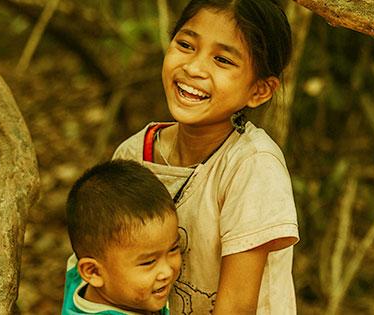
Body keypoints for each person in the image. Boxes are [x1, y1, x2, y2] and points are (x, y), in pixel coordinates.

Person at [113, 0, 299, 314]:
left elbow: (236, 308)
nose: (194, 68)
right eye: (185, 44)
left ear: (259, 90)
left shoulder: (252, 166)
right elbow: (104, 276)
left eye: (222, 60)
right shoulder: (133, 155)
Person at [62, 160, 181, 315]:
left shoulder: (81, 271)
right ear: (93, 272)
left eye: (173, 249)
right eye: (149, 262)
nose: (167, 272)